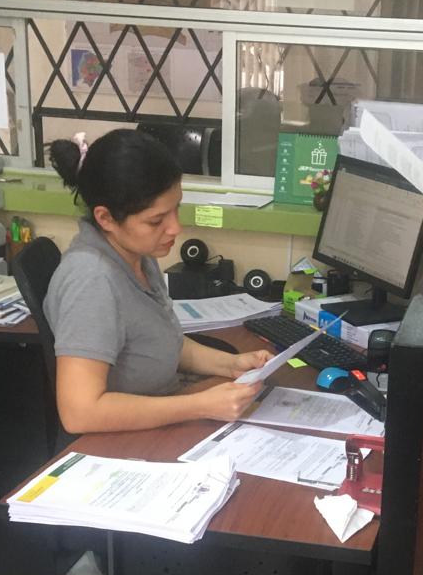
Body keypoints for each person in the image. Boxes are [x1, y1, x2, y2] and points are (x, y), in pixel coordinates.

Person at [46, 129, 271, 433]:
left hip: (162, 411)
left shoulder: (137, 253)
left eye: (176, 208)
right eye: (156, 220)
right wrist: (201, 405)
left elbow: (158, 344)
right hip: (124, 441)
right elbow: (80, 413)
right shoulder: (91, 280)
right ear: (105, 218)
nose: (175, 228)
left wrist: (231, 365)